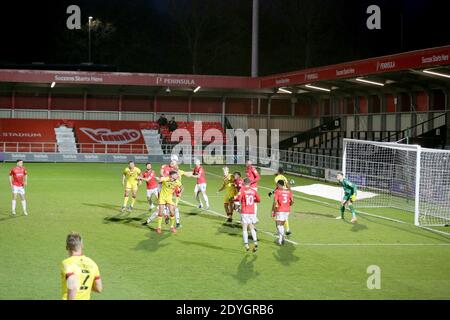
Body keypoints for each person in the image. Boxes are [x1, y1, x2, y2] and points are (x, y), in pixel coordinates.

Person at [61, 232, 102, 300]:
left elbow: (73, 285)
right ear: (82, 245)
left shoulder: (67, 263)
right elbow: (99, 288)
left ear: (67, 247)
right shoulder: (92, 263)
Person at [234, 178, 260, 253]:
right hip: (251, 211)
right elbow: (258, 200)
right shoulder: (253, 191)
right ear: (250, 183)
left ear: (244, 183)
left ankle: (246, 245)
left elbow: (238, 198)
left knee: (245, 227)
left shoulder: (242, 190)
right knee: (251, 226)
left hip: (245, 211)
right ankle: (255, 242)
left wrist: (233, 199)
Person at [268, 167, 292, 235]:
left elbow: (278, 186)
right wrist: (290, 192)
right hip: (286, 194)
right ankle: (287, 229)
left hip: (280, 193)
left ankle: (279, 230)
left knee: (277, 209)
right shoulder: (284, 177)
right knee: (284, 213)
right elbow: (287, 186)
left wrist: (272, 192)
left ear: (278, 171)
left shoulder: (276, 178)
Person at [272, 180, 294, 245]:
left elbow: (275, 202)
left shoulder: (277, 191)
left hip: (280, 210)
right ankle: (280, 239)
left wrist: (274, 210)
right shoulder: (289, 192)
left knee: (278, 225)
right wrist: (288, 205)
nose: (276, 186)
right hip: (287, 210)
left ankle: (282, 235)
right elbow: (292, 201)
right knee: (282, 224)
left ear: (279, 184)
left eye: (277, 185)